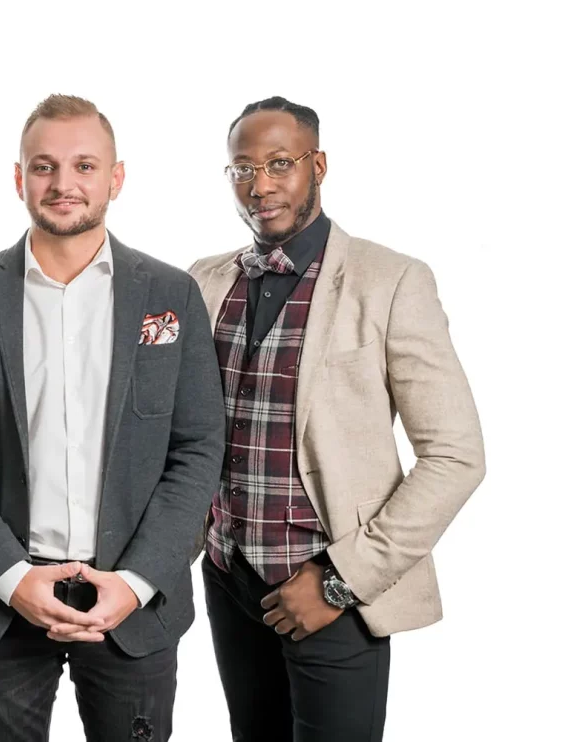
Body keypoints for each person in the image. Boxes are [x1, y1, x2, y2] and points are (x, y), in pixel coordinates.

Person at [0, 94, 225, 742]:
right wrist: (12, 578)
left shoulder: (169, 295)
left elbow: (196, 448)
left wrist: (134, 582)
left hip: (129, 604)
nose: (63, 184)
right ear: (19, 178)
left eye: (84, 165)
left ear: (115, 177)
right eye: (45, 166)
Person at [186, 96, 487, 741]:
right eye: (242, 168)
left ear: (317, 165)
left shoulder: (391, 281)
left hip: (334, 595)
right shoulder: (204, 282)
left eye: (279, 163)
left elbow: (456, 455)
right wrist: (2, 287)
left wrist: (339, 582)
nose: (259, 185)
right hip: (229, 580)